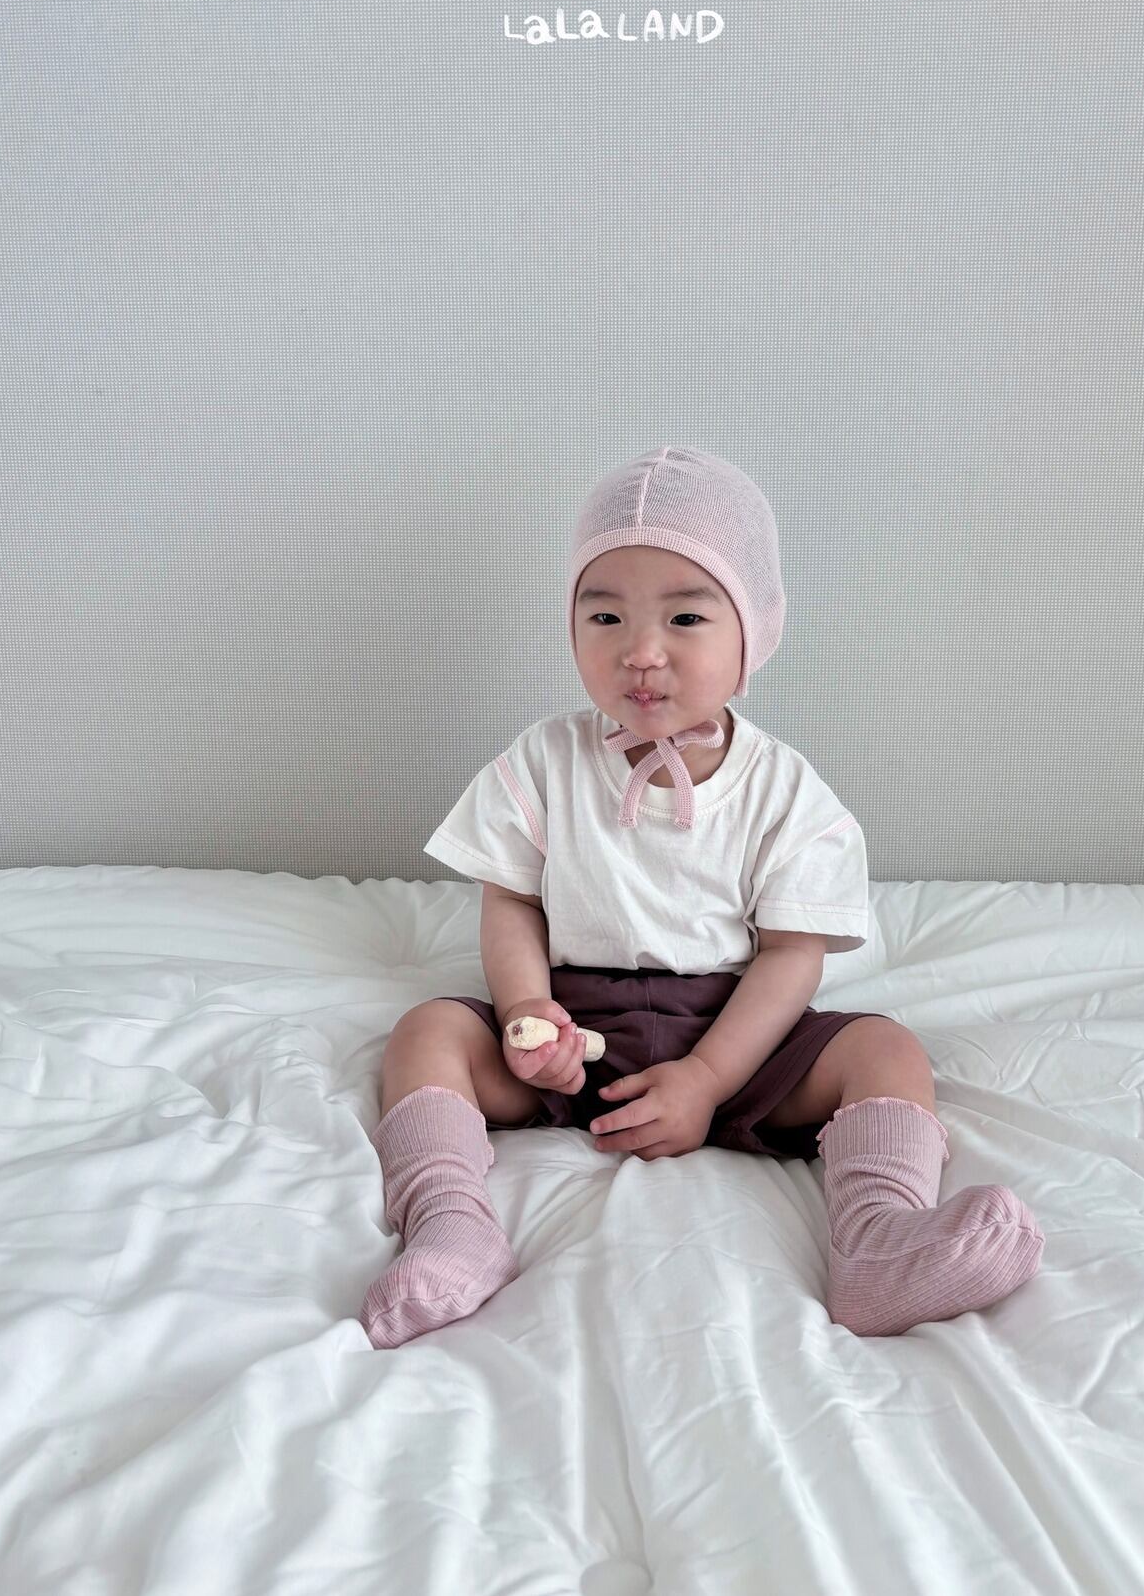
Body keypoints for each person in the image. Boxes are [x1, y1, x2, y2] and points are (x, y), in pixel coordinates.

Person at [359, 445, 1043, 1348]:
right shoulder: (545, 761)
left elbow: (791, 954)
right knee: (427, 1033)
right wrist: (526, 1014)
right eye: (604, 615)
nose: (641, 652)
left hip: (738, 1036)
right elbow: (512, 903)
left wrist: (709, 1078)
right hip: (575, 1030)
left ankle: (878, 1237)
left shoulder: (783, 789)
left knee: (886, 1049)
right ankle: (450, 1224)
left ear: (752, 631)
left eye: (685, 616)